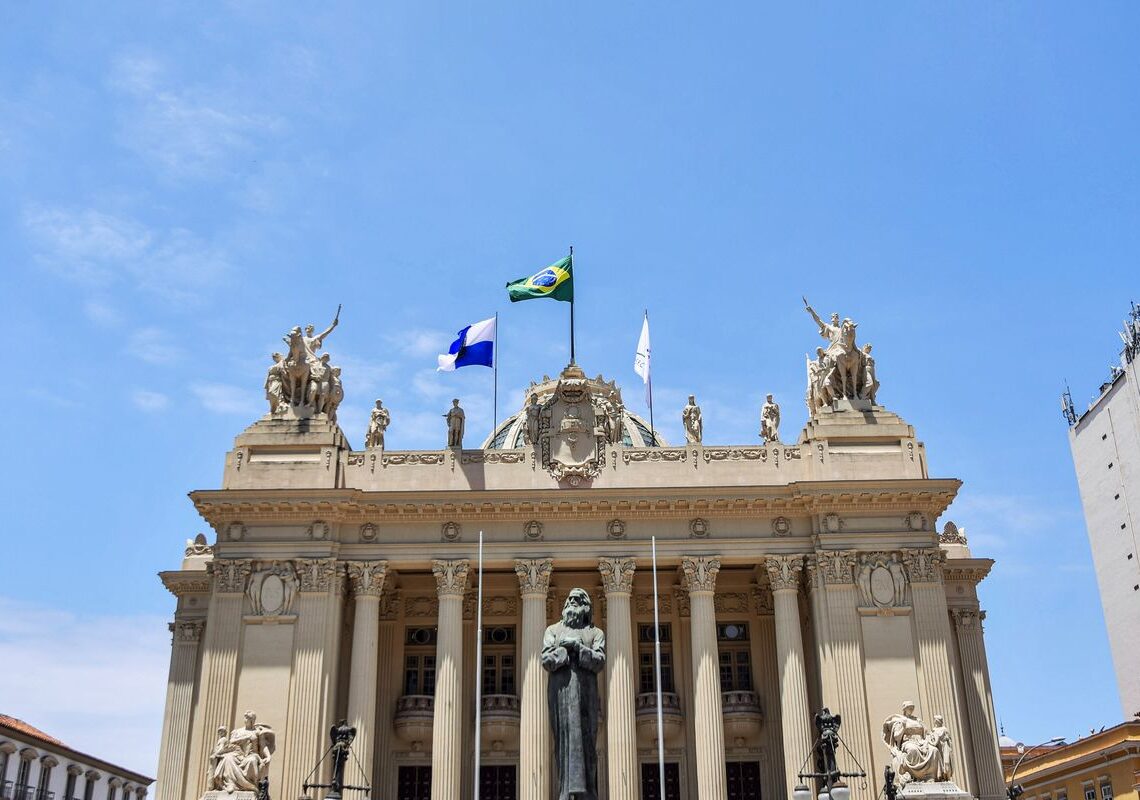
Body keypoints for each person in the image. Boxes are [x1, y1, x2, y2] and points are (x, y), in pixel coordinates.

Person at [541, 589, 606, 800]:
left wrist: (578, 648)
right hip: (560, 697)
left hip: (586, 699)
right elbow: (547, 660)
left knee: (587, 749)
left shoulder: (595, 633)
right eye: (569, 599)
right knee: (563, 748)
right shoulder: (553, 630)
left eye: (577, 600)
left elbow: (599, 661)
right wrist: (564, 651)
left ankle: (588, 795)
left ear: (586, 606)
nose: (571, 602)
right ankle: (565, 794)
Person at [210, 711, 275, 793]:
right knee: (228, 758)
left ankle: (250, 786)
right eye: (246, 718)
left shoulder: (257, 732)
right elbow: (231, 742)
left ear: (253, 720)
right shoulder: (237, 731)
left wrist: (268, 756)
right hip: (237, 754)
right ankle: (230, 784)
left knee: (252, 760)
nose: (247, 720)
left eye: (249, 718)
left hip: (251, 755)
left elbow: (263, 746)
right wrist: (245, 738)